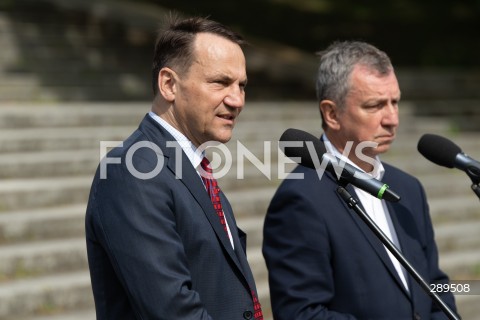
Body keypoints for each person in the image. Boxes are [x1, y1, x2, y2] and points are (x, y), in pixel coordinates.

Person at [262, 41, 458, 319]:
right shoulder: (301, 198)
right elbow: (303, 313)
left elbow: (435, 286)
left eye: (395, 102)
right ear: (332, 113)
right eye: (375, 105)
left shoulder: (408, 188)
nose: (392, 119)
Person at [85, 16, 263, 320]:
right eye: (220, 82)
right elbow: (172, 310)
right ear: (169, 84)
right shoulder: (131, 172)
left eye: (241, 86)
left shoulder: (194, 167)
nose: (237, 100)